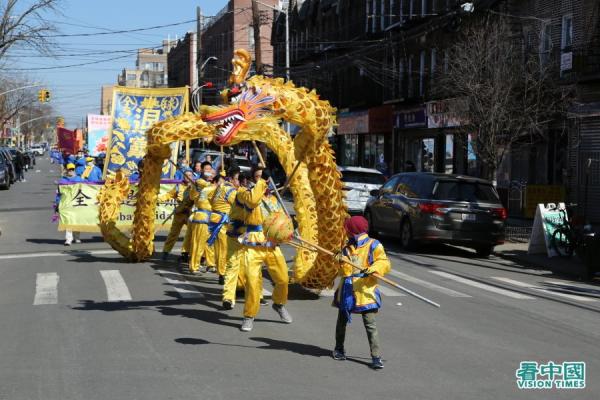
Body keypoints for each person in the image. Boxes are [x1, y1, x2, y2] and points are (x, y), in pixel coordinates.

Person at [237, 166, 292, 332]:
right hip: (253, 244)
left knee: (283, 279)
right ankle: (249, 316)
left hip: (271, 244)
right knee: (253, 283)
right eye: (259, 177)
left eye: (265, 177)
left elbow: (281, 222)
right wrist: (261, 182)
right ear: (254, 179)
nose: (264, 180)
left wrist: (288, 230)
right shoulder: (245, 193)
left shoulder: (275, 200)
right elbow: (254, 201)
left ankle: (279, 304)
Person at [332, 216, 391, 370]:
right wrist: (340, 261)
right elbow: (343, 272)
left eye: (348, 229)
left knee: (370, 324)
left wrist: (372, 269)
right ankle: (339, 348)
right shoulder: (346, 248)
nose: (346, 232)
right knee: (342, 321)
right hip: (347, 289)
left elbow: (384, 262)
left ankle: (376, 356)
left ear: (353, 231)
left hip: (365, 290)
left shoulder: (374, 245)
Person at [208, 168, 239, 284]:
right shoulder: (230, 190)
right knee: (223, 249)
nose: (238, 182)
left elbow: (211, 200)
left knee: (218, 249)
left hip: (215, 219)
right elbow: (237, 205)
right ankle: (222, 273)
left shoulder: (219, 187)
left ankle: (221, 271)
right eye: (236, 179)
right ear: (231, 179)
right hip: (223, 222)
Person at [187, 164, 216, 274]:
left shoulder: (211, 185)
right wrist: (195, 188)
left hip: (211, 217)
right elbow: (192, 197)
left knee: (209, 243)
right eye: (207, 169)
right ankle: (194, 266)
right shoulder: (199, 182)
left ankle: (210, 263)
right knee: (198, 242)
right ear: (202, 171)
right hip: (201, 216)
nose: (209, 172)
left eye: (211, 170)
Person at [160, 168, 195, 262]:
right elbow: (168, 195)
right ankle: (166, 252)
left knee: (192, 235)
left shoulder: (195, 187)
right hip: (179, 214)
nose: (188, 177)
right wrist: (159, 199)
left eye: (190, 175)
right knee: (173, 234)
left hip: (190, 214)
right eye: (186, 175)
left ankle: (188, 254)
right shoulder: (178, 186)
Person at [59, 163, 84, 246]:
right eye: (69, 169)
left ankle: (77, 237)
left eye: (72, 169)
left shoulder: (79, 179)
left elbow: (89, 186)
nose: (71, 171)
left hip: (77, 202)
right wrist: (57, 203)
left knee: (76, 221)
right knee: (68, 221)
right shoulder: (63, 180)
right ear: (66, 170)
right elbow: (59, 193)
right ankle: (68, 239)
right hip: (67, 203)